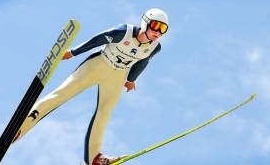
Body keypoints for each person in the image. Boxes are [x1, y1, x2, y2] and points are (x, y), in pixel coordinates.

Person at [13, 8, 169, 165]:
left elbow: (143, 61)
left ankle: (93, 158)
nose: (158, 32)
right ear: (145, 22)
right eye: (156, 26)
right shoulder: (124, 31)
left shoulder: (155, 47)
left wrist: (131, 79)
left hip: (117, 77)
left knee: (105, 112)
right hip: (97, 66)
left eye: (163, 29)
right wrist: (73, 52)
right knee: (61, 95)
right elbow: (98, 40)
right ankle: (21, 126)